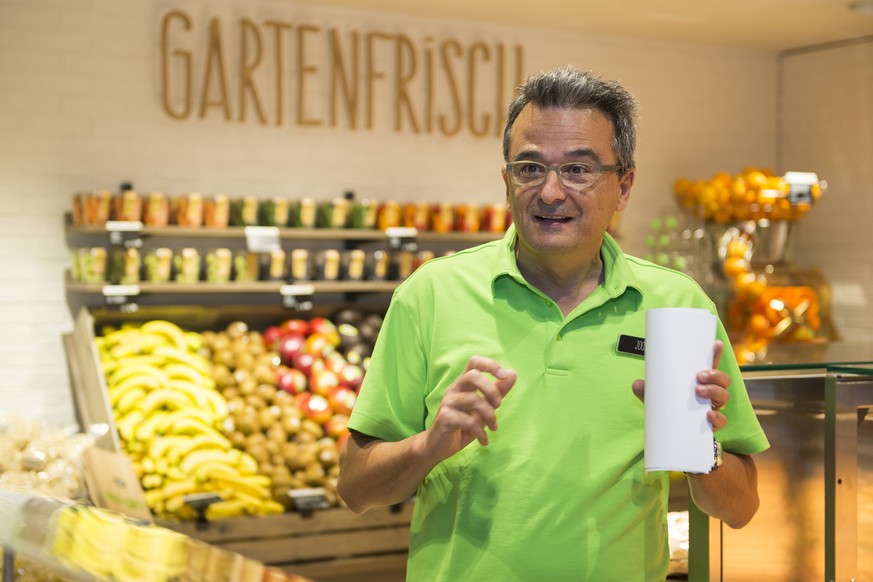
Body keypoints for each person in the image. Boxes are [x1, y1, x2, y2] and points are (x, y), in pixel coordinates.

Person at [337, 66, 769, 580]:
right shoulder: (431, 294)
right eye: (529, 168)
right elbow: (355, 489)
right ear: (506, 180)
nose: (549, 192)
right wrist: (429, 445)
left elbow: (740, 509)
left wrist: (698, 444)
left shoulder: (677, 306)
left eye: (579, 170)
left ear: (623, 185)